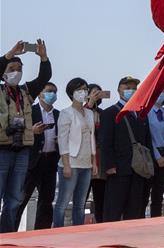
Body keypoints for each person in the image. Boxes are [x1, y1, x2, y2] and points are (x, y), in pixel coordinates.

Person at [0, 40, 51, 233]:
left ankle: (7, 235)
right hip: (2, 149)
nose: (17, 72)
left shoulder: (25, 92)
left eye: (20, 69)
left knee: (15, 198)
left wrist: (43, 58)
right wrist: (10, 53)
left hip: (22, 149)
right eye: (12, 69)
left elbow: (44, 77)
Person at [100, 76, 153, 221]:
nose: (131, 91)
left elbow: (147, 141)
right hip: (119, 169)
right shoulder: (110, 113)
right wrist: (109, 165)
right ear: (119, 90)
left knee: (134, 209)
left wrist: (149, 165)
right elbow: (105, 141)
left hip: (138, 169)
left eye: (134, 88)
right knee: (114, 209)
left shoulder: (142, 114)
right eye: (127, 88)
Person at [14, 81, 60, 230]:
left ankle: (41, 233)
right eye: (49, 91)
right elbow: (16, 131)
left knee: (46, 201)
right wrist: (31, 131)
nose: (52, 94)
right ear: (40, 94)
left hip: (50, 161)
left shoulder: (58, 114)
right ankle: (10, 232)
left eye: (55, 92)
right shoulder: (29, 111)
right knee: (20, 199)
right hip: (31, 162)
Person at [53, 77, 98, 227]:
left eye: (85, 89)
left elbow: (92, 137)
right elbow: (62, 140)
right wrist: (66, 165)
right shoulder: (66, 113)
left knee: (80, 203)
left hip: (86, 163)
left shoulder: (89, 113)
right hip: (71, 162)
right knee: (63, 202)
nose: (83, 92)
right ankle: (58, 230)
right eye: (79, 89)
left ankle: (78, 231)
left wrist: (94, 162)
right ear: (71, 93)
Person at [85, 83, 106, 222]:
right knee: (81, 197)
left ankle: (101, 224)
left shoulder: (103, 113)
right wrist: (90, 103)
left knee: (101, 199)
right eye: (94, 93)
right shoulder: (81, 111)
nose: (97, 95)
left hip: (100, 161)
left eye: (99, 93)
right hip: (85, 160)